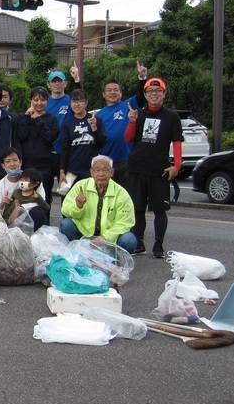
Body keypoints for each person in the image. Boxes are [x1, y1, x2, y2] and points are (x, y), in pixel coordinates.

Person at [124, 77, 183, 258]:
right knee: (138, 208)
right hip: (137, 167)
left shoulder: (172, 116)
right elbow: (128, 139)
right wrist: (132, 121)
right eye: (150, 91)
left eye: (158, 91)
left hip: (160, 169)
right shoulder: (138, 114)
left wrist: (177, 166)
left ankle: (158, 245)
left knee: (160, 209)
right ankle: (139, 242)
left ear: (164, 94)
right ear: (145, 95)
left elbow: (177, 142)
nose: (154, 94)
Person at [60, 156, 138, 253]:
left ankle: (112, 260)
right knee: (66, 224)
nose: (101, 174)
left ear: (112, 172)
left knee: (129, 240)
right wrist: (78, 206)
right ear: (91, 172)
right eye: (97, 170)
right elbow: (65, 210)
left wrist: (105, 237)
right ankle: (81, 253)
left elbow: (125, 222)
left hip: (109, 238)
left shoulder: (121, 193)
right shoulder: (81, 186)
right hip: (85, 234)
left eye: (105, 170)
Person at [92, 61, 149, 185]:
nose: (112, 93)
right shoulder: (99, 114)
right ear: (103, 94)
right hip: (106, 161)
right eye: (109, 90)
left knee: (126, 195)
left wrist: (142, 78)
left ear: (121, 93)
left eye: (115, 90)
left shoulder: (127, 105)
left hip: (126, 160)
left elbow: (142, 96)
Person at [15, 86, 58, 208]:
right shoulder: (23, 117)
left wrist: (37, 119)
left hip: (46, 166)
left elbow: (49, 137)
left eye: (42, 100)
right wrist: (27, 118)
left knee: (44, 198)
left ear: (47, 101)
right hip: (27, 164)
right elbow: (21, 135)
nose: (39, 103)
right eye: (36, 100)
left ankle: (45, 224)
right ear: (31, 101)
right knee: (25, 197)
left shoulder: (52, 119)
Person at [0, 148, 49, 229]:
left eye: (15, 160)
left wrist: (20, 209)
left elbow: (42, 203)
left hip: (31, 218)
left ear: (20, 162)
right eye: (8, 161)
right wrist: (1, 205)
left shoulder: (33, 179)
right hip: (8, 223)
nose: (12, 164)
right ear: (3, 166)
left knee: (38, 212)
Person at [60, 89, 106, 184]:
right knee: (68, 196)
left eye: (80, 101)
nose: (76, 104)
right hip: (72, 169)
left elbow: (102, 144)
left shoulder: (96, 120)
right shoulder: (67, 123)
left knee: (91, 196)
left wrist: (94, 128)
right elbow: (65, 148)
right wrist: (62, 171)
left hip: (91, 169)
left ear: (86, 103)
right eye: (74, 101)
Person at [45, 70, 72, 156]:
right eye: (54, 81)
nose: (57, 84)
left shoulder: (71, 101)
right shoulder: (43, 103)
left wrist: (77, 79)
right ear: (48, 85)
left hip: (67, 149)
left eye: (60, 81)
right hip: (48, 149)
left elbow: (82, 99)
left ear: (65, 83)